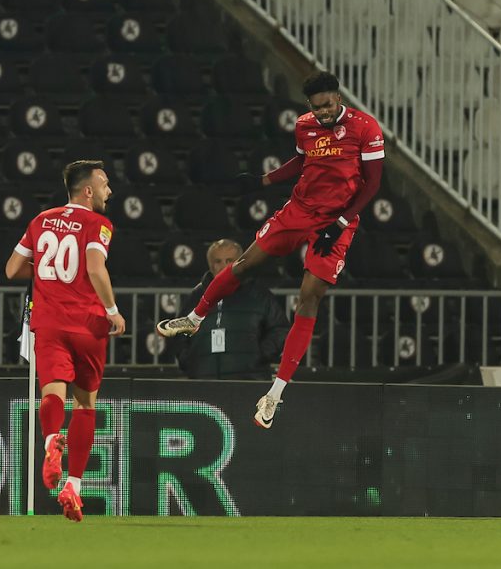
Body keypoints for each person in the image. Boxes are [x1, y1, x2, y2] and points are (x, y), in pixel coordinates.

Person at [155, 71, 384, 429]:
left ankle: (274, 393)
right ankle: (194, 319)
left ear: (338, 98)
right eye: (317, 106)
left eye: (329, 105)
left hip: (337, 219)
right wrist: (262, 181)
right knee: (244, 262)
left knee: (309, 297)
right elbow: (301, 162)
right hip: (298, 210)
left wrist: (339, 224)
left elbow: (373, 185)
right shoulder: (305, 125)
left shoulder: (366, 128)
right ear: (309, 105)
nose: (324, 112)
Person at [4, 160, 126, 522]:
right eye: (104, 184)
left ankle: (49, 443)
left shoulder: (40, 220)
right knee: (86, 406)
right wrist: (113, 309)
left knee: (51, 393)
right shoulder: (98, 224)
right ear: (87, 190)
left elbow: (12, 269)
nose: (108, 191)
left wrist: (47, 273)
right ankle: (74, 485)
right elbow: (93, 267)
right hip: (88, 324)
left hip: (50, 322)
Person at [174, 239, 287, 380]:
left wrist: (259, 356)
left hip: (249, 381)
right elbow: (180, 333)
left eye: (229, 261)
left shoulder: (259, 295)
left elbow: (280, 329)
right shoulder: (195, 296)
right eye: (218, 261)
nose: (223, 266)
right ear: (210, 265)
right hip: (203, 381)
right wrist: (189, 360)